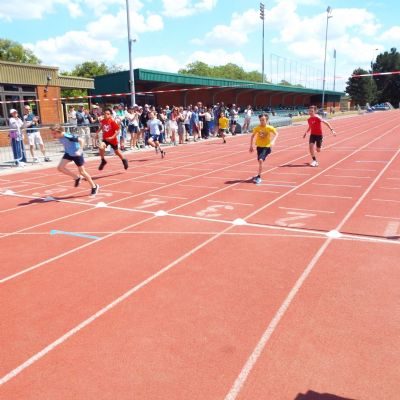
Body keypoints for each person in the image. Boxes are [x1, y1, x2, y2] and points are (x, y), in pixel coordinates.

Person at [49, 124, 99, 196]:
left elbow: (81, 140)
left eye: (54, 133)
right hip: (68, 153)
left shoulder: (68, 136)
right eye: (52, 133)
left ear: (59, 132)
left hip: (76, 154)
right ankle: (76, 178)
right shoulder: (59, 136)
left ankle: (94, 186)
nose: (53, 135)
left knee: (82, 172)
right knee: (60, 168)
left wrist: (80, 150)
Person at [249, 113, 278, 184]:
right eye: (260, 120)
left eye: (263, 120)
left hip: (266, 147)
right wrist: (251, 146)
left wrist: (273, 141)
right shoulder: (257, 128)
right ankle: (258, 175)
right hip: (259, 147)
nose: (262, 121)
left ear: (266, 120)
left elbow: (277, 133)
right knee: (259, 161)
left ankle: (259, 177)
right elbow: (252, 136)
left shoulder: (269, 127)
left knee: (261, 160)